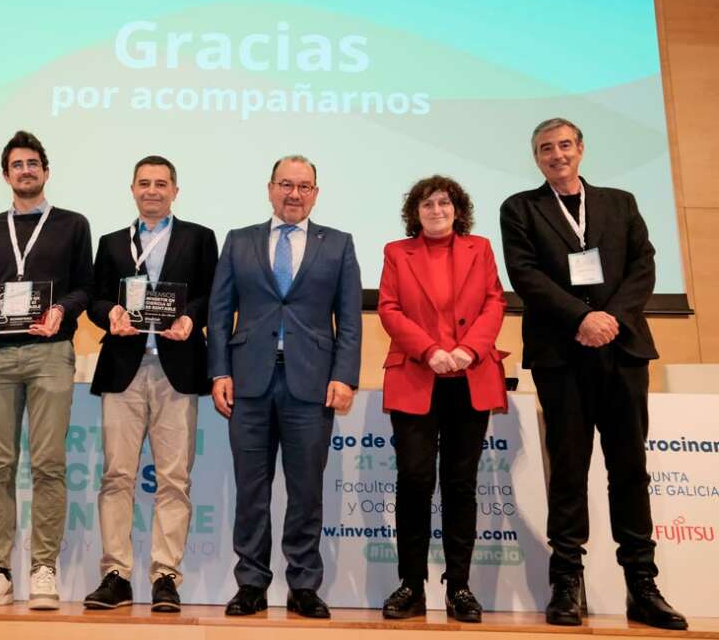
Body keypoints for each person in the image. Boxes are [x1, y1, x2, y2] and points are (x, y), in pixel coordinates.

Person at [500, 118, 687, 630]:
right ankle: (566, 584)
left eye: (564, 145)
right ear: (535, 157)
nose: (556, 155)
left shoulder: (620, 202)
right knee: (568, 470)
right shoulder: (520, 208)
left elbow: (644, 266)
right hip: (562, 356)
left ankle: (642, 586)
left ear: (581, 149)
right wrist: (581, 318)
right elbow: (526, 276)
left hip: (622, 351)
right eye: (545, 149)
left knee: (629, 469)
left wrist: (610, 320)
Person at [208, 155, 361, 619]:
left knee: (306, 490)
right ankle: (251, 583)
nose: (294, 194)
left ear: (316, 192)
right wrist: (219, 372)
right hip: (248, 382)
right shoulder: (238, 241)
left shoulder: (338, 245)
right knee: (251, 490)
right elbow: (219, 314)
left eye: (304, 186)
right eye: (285, 184)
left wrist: (344, 375)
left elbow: (350, 320)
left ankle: (304, 585)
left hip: (311, 383)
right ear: (270, 188)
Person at [0, 131, 94, 610]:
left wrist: (63, 310)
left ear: (46, 171)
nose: (26, 171)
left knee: (48, 464)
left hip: (49, 353)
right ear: (6, 175)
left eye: (34, 163)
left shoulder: (73, 225)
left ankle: (43, 569)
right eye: (17, 165)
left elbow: (85, 287)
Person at [83, 156, 218, 612]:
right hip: (124, 368)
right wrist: (111, 315)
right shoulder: (110, 242)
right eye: (144, 183)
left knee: (174, 479)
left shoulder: (200, 238)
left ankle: (165, 577)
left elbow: (210, 295)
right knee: (116, 476)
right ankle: (116, 574)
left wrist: (190, 317)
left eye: (162, 184)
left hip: (176, 369)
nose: (153, 190)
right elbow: (97, 299)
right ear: (133, 189)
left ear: (175, 191)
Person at [377, 176, 507, 623]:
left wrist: (468, 350)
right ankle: (411, 586)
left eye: (444, 203)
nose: (436, 210)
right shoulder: (397, 252)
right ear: (415, 213)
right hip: (418, 373)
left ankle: (460, 587)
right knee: (414, 479)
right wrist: (430, 350)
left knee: (459, 484)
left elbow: (494, 303)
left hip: (471, 374)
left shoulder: (481, 248)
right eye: (427, 204)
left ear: (458, 209)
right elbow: (389, 308)